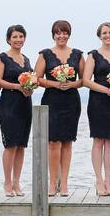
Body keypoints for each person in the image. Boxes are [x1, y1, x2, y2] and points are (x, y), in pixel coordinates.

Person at [35, 20, 84, 197]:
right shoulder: (45, 54)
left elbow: (83, 80)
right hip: (52, 100)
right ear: (53, 35)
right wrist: (55, 84)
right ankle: (52, 182)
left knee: (67, 142)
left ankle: (64, 183)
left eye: (65, 33)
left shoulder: (78, 54)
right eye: (58, 33)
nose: (61, 36)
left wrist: (71, 84)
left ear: (69, 34)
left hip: (71, 101)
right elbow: (37, 78)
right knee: (53, 142)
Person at [83, 22, 110, 196]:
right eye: (104, 33)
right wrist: (107, 90)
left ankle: (109, 181)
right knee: (98, 141)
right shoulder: (93, 55)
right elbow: (86, 80)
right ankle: (98, 181)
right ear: (99, 36)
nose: (107, 35)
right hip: (98, 101)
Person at [0, 24, 34, 197]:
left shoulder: (26, 59)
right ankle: (7, 182)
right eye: (15, 37)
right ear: (9, 39)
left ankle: (17, 182)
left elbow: (31, 79)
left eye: (21, 36)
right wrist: (18, 86)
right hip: (9, 103)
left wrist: (30, 87)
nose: (18, 40)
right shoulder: (2, 58)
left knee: (21, 145)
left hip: (25, 103)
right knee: (10, 144)